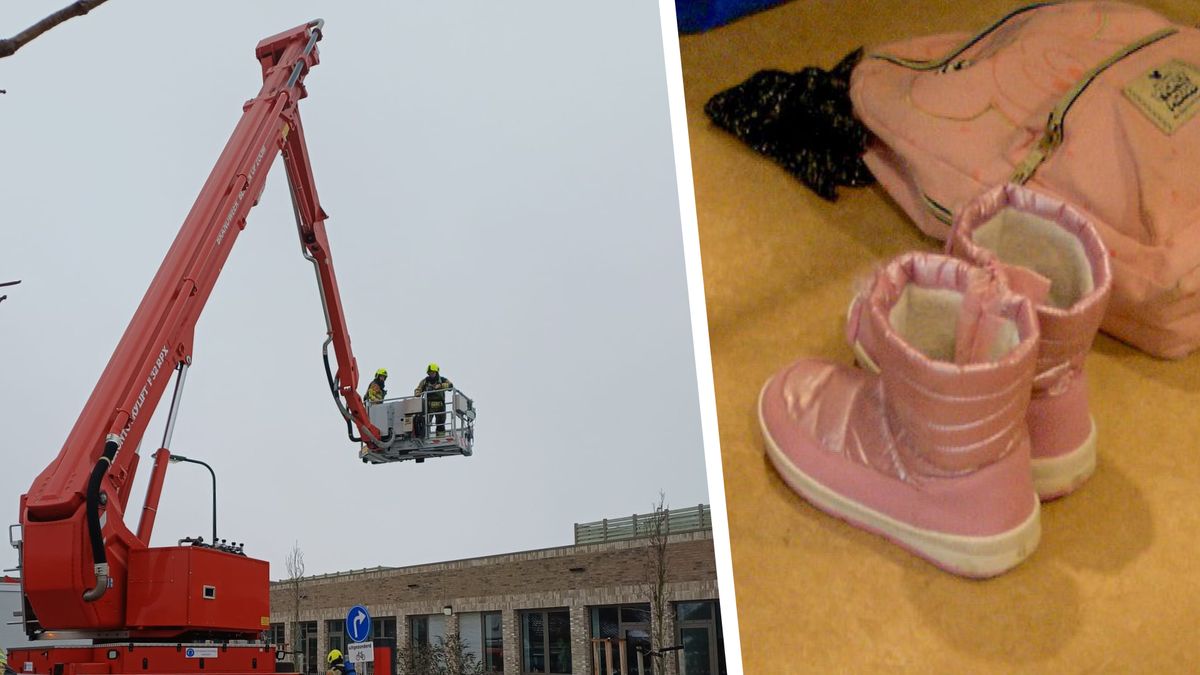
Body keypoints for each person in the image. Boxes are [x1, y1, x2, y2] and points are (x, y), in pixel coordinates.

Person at [414, 362, 453, 437]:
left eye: (432, 372)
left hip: (440, 406)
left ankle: (440, 438)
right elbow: (417, 391)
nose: (431, 374)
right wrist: (420, 392)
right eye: (429, 373)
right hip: (429, 406)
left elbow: (450, 386)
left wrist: (440, 386)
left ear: (436, 372)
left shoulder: (442, 380)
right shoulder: (425, 381)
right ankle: (424, 437)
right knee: (425, 423)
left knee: (440, 424)